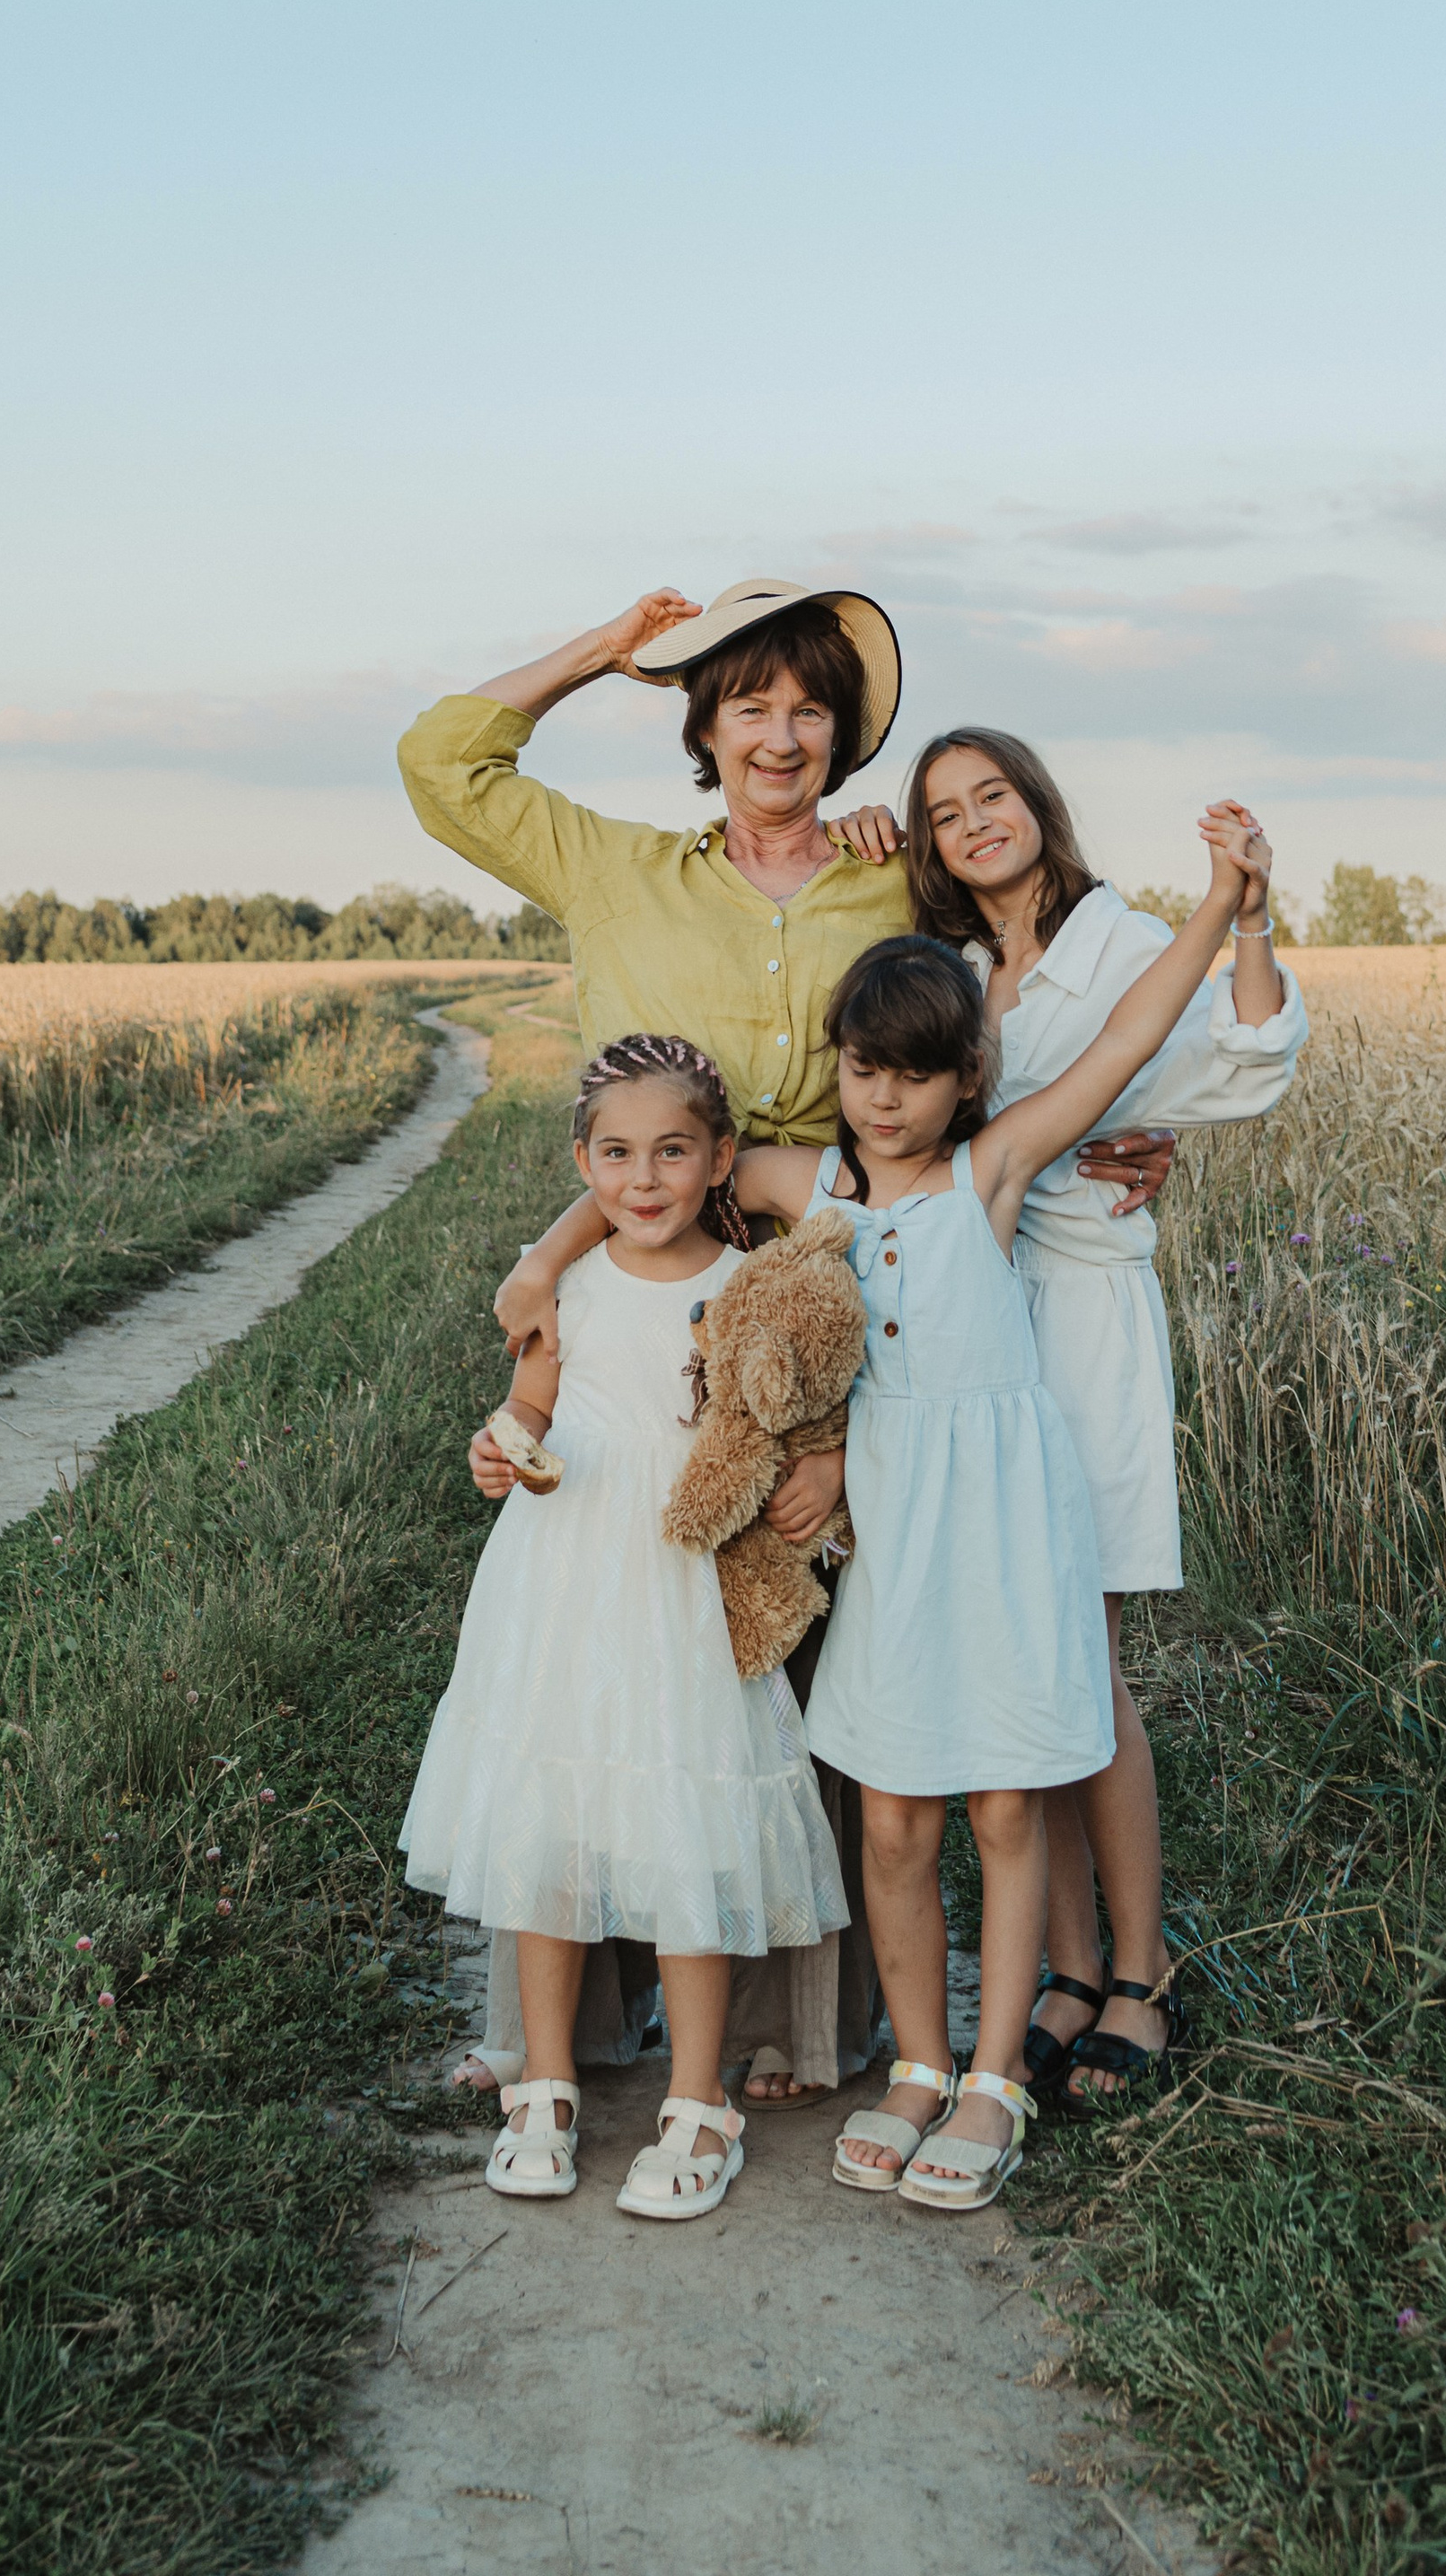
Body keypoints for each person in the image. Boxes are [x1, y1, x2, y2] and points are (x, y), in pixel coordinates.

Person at [399, 581, 1170, 2102]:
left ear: (841, 738)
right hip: (646, 1309)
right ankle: (592, 2018)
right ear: (697, 724)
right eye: (746, 703)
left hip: (842, 1319)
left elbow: (1017, 1040)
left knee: (810, 1661)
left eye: (810, 707)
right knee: (623, 1638)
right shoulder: (618, 872)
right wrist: (597, 652)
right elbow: (442, 762)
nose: (780, 733)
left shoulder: (893, 891)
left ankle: (793, 2034)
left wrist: (1129, 1145)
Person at [714, 799, 1271, 2212]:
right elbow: (675, 1162)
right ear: (839, 1073)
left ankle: (998, 2074)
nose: (885, 1098)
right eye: (861, 1071)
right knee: (898, 1817)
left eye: (915, 1074)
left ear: (968, 1078)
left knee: (1010, 1808)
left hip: (1012, 1536)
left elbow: (1134, 1036)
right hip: (895, 1542)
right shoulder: (815, 1188)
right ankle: (915, 2060)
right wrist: (552, 1261)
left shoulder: (993, 1172)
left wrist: (1220, 906)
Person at [899, 730, 1305, 2110]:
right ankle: (1065, 1968)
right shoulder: (945, 969)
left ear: (1036, 803)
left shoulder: (1123, 935)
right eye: (946, 814)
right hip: (969, 1312)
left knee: (1087, 1650)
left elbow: (1244, 1062)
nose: (975, 825)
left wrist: (1246, 913)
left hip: (1080, 1313)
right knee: (1016, 1646)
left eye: (992, 797)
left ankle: (1143, 1971)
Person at [398, 1034, 846, 2221]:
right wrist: (499, 1444)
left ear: (720, 1162)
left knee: (690, 1825)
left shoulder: (750, 1287)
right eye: (615, 1154)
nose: (642, 1179)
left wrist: (831, 1466)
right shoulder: (566, 1288)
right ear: (581, 1163)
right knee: (550, 1832)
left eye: (671, 1152)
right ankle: (544, 2085)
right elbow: (531, 1402)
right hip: (562, 1577)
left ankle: (697, 2100)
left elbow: (796, 1411)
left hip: (684, 1586)